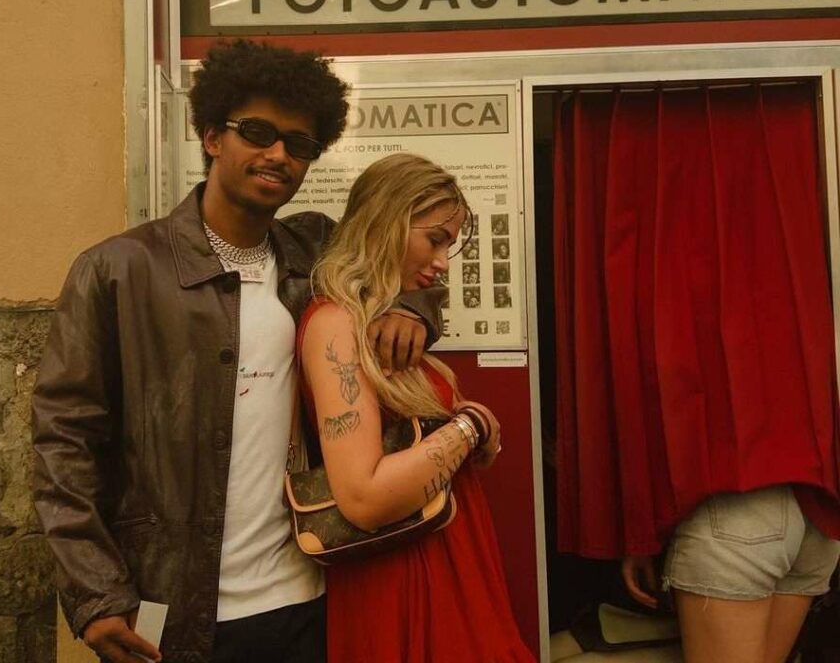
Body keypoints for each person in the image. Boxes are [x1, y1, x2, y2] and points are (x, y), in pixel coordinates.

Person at [31, 41, 443, 663]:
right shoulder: (119, 270)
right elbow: (64, 442)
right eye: (256, 132)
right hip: (166, 606)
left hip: (305, 596)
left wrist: (411, 309)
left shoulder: (316, 255)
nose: (278, 154)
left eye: (298, 143)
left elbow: (403, 267)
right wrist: (95, 594)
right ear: (211, 136)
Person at [298, 153, 535, 662]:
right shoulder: (336, 325)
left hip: (444, 563)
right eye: (435, 240)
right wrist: (470, 426)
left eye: (449, 245)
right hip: (406, 578)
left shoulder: (385, 319)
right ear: (386, 223)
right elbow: (364, 497)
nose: (443, 263)